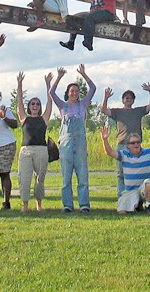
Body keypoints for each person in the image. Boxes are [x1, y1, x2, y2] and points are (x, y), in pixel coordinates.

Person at [48, 64, 96, 212]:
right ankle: (67, 205)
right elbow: (51, 92)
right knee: (66, 176)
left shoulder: (83, 105)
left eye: (76, 90)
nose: (74, 92)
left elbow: (93, 88)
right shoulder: (62, 106)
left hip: (80, 144)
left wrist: (84, 74)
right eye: (72, 90)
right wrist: (59, 77)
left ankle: (84, 205)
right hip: (66, 144)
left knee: (82, 175)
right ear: (68, 93)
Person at [100, 83, 150, 195]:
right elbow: (104, 110)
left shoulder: (138, 111)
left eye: (130, 98)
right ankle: (122, 194)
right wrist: (105, 98)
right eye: (126, 98)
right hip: (122, 144)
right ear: (123, 100)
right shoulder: (117, 112)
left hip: (136, 145)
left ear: (133, 100)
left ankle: (138, 193)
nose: (128, 99)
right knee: (121, 172)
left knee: (137, 170)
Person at [15, 72, 54, 212]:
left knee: (40, 179)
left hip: (41, 151)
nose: (35, 106)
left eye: (37, 104)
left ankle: (39, 205)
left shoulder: (44, 118)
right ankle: (25, 206)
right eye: (32, 104)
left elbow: (50, 102)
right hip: (26, 151)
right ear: (29, 106)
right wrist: (19, 84)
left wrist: (48, 84)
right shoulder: (23, 118)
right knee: (24, 179)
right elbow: (19, 100)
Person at [100, 126, 150, 214]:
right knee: (122, 212)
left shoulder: (149, 152)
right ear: (128, 145)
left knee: (149, 182)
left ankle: (149, 205)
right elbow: (109, 152)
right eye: (133, 143)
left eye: (138, 142)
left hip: (143, 189)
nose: (136, 144)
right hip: (131, 190)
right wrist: (104, 139)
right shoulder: (124, 154)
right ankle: (137, 205)